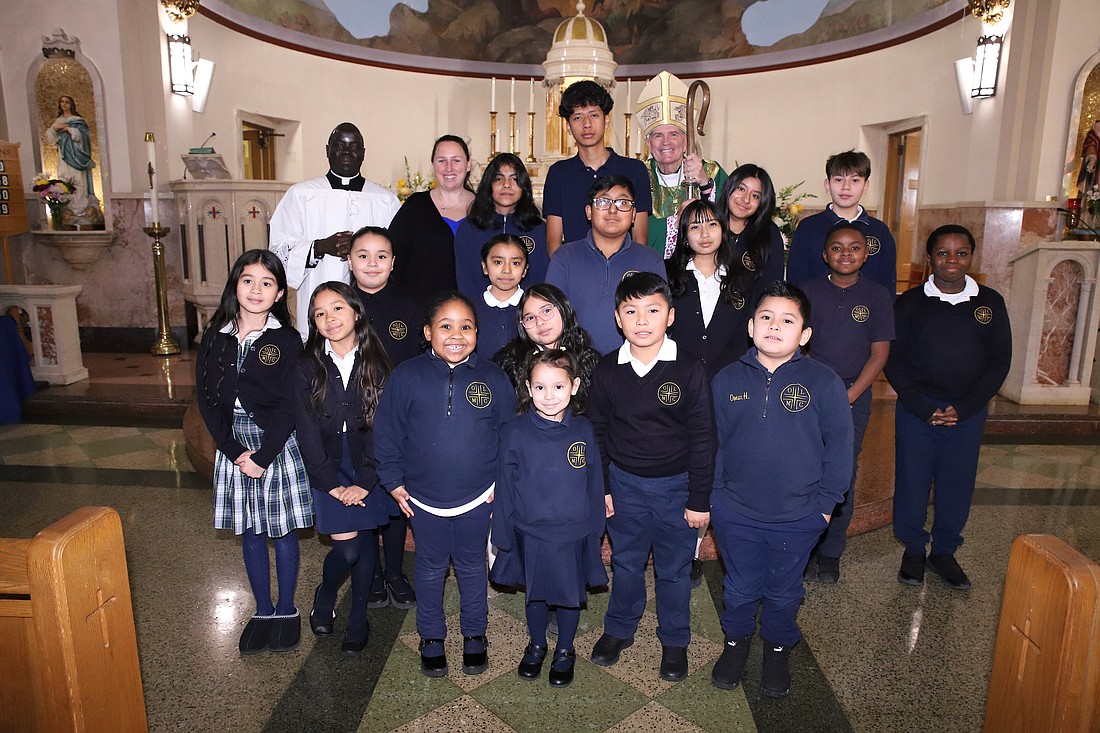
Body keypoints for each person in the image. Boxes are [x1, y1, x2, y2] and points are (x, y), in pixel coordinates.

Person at [709, 281, 853, 697]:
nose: (775, 326)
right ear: (751, 327)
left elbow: (841, 449)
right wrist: (716, 499)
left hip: (799, 514)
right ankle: (735, 645)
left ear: (804, 335)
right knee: (738, 587)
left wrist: (825, 506)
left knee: (783, 590)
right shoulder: (725, 379)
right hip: (736, 512)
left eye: (787, 320)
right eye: (766, 318)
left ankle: (776, 649)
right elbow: (713, 444)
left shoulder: (824, 383)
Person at [374, 292, 516, 678]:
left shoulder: (493, 377)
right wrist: (393, 481)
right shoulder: (407, 375)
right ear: (427, 332)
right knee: (430, 567)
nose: (456, 334)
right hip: (421, 497)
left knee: (472, 566)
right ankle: (431, 636)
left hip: (478, 495)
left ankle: (474, 634)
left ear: (477, 333)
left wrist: (501, 486)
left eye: (466, 326)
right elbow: (387, 433)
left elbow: (509, 436)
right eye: (446, 326)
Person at [587, 273, 714, 683]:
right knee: (625, 563)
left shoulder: (690, 368)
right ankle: (619, 628)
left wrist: (699, 499)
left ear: (670, 316)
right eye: (631, 311)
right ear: (618, 319)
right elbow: (598, 432)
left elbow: (703, 436)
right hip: (624, 485)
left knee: (674, 569)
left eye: (653, 310)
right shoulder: (607, 370)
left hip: (676, 488)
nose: (642, 320)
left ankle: (675, 639)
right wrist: (603, 487)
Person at [195, 249, 312, 656]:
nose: (256, 289)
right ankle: (262, 609)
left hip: (273, 444)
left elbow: (291, 404)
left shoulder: (286, 339)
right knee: (250, 530)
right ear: (235, 285)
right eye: (248, 280)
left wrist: (263, 455)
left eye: (267, 283)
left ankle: (286, 609)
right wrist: (230, 449)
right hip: (233, 446)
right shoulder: (216, 336)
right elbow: (206, 396)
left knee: (281, 529)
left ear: (280, 292)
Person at [885, 225, 1011, 591]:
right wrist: (920, 406)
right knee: (913, 480)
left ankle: (944, 551)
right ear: (929, 258)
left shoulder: (989, 302)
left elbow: (1000, 360)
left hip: (967, 412)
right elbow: (894, 359)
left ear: (971, 257)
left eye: (960, 253)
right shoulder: (909, 303)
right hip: (917, 409)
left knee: (957, 482)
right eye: (943, 253)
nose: (951, 261)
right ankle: (912, 548)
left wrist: (968, 406)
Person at [490, 349, 608, 688]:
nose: (549, 396)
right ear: (528, 388)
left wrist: (595, 530)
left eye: (558, 387)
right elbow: (505, 483)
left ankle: (565, 649)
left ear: (574, 386)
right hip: (530, 530)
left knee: (569, 595)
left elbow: (594, 482)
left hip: (573, 531)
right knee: (536, 594)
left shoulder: (584, 429)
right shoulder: (515, 431)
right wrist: (503, 533)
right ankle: (538, 643)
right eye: (540, 387)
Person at [294, 282, 393, 654]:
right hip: (328, 468)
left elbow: (386, 429)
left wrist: (367, 481)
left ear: (355, 312)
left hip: (369, 466)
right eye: (319, 313)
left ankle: (357, 617)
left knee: (366, 541)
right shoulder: (307, 366)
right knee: (348, 551)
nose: (329, 318)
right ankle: (326, 593)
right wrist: (331, 483)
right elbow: (306, 430)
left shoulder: (377, 362)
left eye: (337, 308)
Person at [799, 223, 895, 584]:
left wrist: (848, 397)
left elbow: (879, 355)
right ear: (825, 255)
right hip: (807, 395)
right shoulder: (807, 292)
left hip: (854, 395)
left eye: (854, 248)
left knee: (842, 472)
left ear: (865, 254)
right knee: (806, 468)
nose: (845, 254)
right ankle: (805, 546)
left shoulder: (876, 296)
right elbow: (797, 346)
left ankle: (830, 551)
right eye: (836, 248)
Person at [346, 225, 422, 610]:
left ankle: (394, 572)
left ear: (393, 262)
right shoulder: (340, 305)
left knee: (394, 501)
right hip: (352, 422)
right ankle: (371, 573)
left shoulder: (410, 306)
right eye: (363, 255)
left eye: (381, 256)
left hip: (398, 422)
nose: (372, 263)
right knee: (362, 497)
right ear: (350, 260)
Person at [269, 122, 401, 340]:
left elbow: (397, 253)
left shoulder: (385, 200)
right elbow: (278, 251)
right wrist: (319, 247)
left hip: (371, 306)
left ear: (363, 153)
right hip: (318, 298)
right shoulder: (302, 195)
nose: (347, 152)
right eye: (340, 145)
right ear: (327, 150)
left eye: (354, 146)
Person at [546, 175, 665, 355]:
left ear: (633, 215)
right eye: (603, 202)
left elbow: (660, 318)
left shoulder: (649, 259)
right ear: (588, 211)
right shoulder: (564, 257)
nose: (612, 210)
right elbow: (550, 317)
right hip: (574, 366)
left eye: (622, 203)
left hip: (634, 365)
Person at [543, 80, 651, 255]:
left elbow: (640, 239)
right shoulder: (559, 173)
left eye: (593, 115)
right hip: (575, 271)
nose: (586, 124)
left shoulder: (634, 170)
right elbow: (553, 243)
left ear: (606, 120)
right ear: (568, 127)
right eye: (578, 117)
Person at [634, 72, 728, 258]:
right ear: (648, 144)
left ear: (685, 142)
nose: (666, 142)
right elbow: (630, 229)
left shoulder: (710, 171)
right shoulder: (637, 175)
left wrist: (705, 184)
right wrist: (676, 221)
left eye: (673, 134)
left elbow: (730, 219)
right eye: (658, 135)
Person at [786, 150, 897, 293]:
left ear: (866, 186)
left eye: (855, 180)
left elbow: (887, 284)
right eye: (839, 180)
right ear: (827, 185)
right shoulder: (808, 228)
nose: (846, 187)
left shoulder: (880, 231)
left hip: (865, 312)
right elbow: (795, 280)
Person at [666, 198, 751, 381]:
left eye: (712, 224)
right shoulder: (668, 276)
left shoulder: (740, 279)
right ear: (685, 236)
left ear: (723, 230)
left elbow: (742, 338)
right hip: (677, 379)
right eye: (695, 227)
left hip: (728, 380)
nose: (705, 234)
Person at [390, 135, 474, 301]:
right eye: (442, 160)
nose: (449, 167)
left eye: (456, 160)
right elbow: (393, 258)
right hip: (422, 308)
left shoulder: (484, 209)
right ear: (433, 165)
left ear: (468, 164)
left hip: (473, 310)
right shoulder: (415, 207)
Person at [454, 152, 549, 300]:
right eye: (499, 179)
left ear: (524, 186)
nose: (506, 185)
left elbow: (541, 279)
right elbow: (466, 281)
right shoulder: (469, 229)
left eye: (514, 179)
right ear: (489, 185)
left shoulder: (538, 229)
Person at [493, 283, 600, 393]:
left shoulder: (590, 361)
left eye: (546, 311)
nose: (540, 322)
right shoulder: (508, 364)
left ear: (563, 309)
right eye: (530, 318)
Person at [715, 164, 786, 313]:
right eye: (741, 189)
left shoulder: (769, 234)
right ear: (729, 187)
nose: (745, 199)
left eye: (755, 196)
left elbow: (771, 287)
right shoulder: (709, 224)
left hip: (747, 322)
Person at [474, 234, 528, 359]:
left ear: (525, 270)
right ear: (485, 267)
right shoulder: (470, 310)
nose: (506, 270)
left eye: (515, 263)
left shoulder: (534, 309)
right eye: (498, 262)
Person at [44, 95, 97, 217]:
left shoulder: (77, 120)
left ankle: (81, 209)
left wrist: (68, 129)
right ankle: (67, 210)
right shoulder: (58, 121)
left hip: (76, 156)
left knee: (78, 180)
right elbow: (50, 139)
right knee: (64, 179)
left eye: (67, 102)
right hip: (63, 155)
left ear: (71, 104)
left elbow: (83, 138)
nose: (64, 104)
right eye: (61, 102)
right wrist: (54, 128)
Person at [1077, 119, 1100, 195]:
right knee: (1091, 185)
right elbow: (1090, 147)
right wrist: (1092, 158)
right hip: (1096, 166)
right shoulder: (1092, 136)